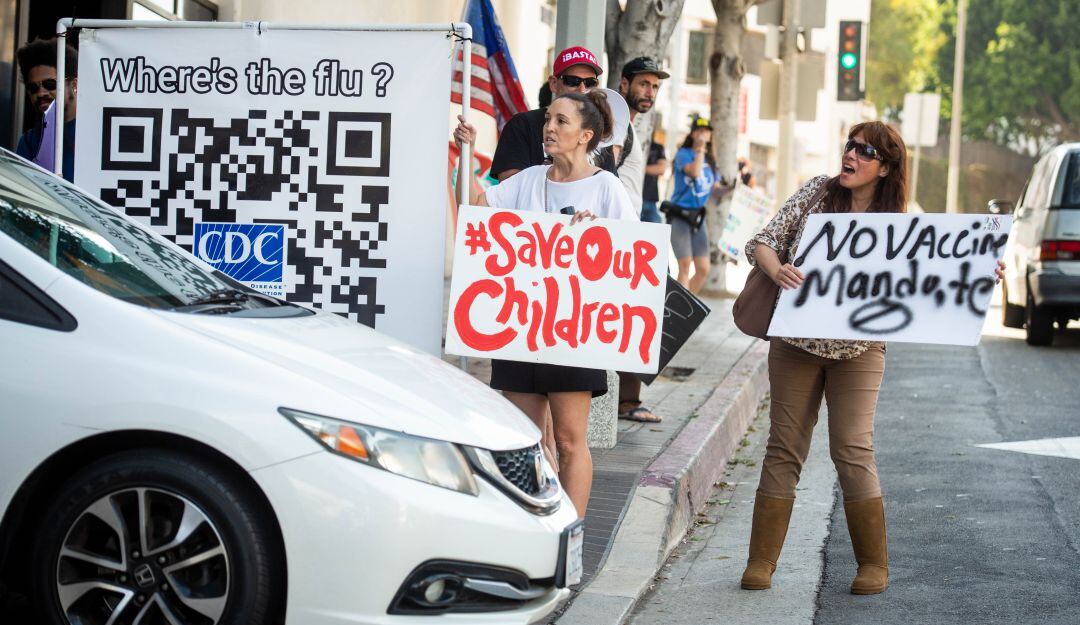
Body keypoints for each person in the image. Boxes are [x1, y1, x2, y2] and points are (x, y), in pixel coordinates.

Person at [739, 121, 1006, 595]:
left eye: (866, 152)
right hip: (795, 345)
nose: (852, 156)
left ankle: (873, 564)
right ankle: (761, 561)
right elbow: (763, 240)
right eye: (850, 146)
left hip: (859, 351)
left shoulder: (896, 224)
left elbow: (936, 273)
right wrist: (777, 269)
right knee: (784, 448)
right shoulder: (815, 194)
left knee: (852, 449)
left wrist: (984, 267)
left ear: (885, 168)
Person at [454, 91, 637, 518]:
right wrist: (466, 154)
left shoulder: (606, 187)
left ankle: (571, 537)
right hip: (522, 327)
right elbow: (474, 211)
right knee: (531, 440)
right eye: (549, 120)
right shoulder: (529, 179)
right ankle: (546, 526)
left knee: (571, 441)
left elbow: (631, 256)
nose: (549, 128)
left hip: (574, 331)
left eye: (561, 122)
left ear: (584, 136)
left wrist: (599, 237)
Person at [613, 57, 669, 424]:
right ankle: (626, 400)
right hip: (618, 236)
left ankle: (628, 398)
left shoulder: (631, 127)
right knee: (635, 316)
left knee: (639, 314)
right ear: (624, 85)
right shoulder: (617, 125)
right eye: (643, 84)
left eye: (655, 87)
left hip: (631, 231)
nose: (649, 92)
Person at [491, 46, 603, 182]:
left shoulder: (599, 129)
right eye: (573, 81)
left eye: (590, 83)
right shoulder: (522, 124)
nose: (582, 89)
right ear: (554, 84)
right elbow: (508, 186)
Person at [667, 116, 721, 293]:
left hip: (698, 217)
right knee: (684, 265)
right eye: (699, 131)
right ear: (693, 133)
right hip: (680, 214)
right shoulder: (684, 154)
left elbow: (714, 189)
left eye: (706, 132)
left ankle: (686, 307)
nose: (703, 135)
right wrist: (700, 151)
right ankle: (677, 310)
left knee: (703, 268)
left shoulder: (712, 161)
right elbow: (695, 173)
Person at [15, 38, 78, 182]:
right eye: (33, 88)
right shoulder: (30, 140)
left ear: (74, 85)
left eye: (49, 84)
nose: (41, 93)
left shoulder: (98, 133)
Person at [641, 130, 667, 224]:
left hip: (650, 197)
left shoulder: (657, 147)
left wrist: (640, 169)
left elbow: (661, 169)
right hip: (633, 196)